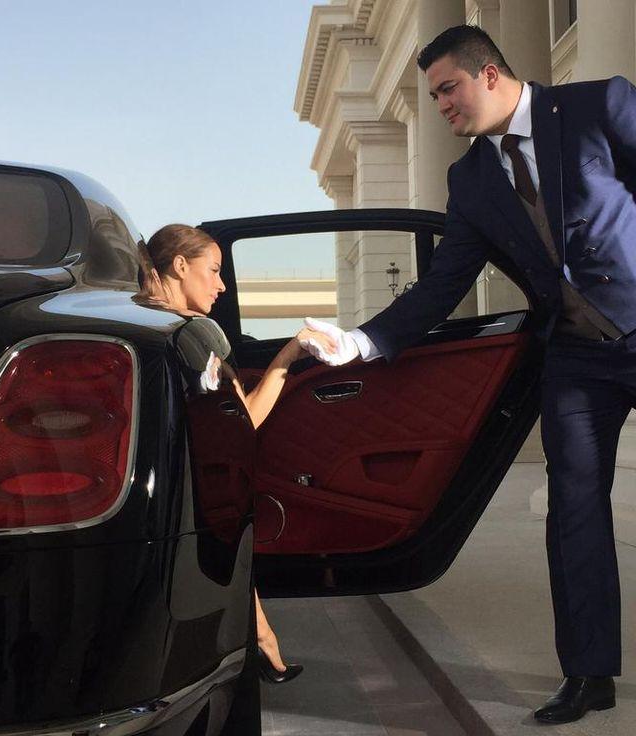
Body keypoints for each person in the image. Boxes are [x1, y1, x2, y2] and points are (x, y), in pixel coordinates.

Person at [299, 24, 636, 725]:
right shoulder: (472, 179)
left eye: (447, 89)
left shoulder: (598, 105)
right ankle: (588, 674)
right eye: (433, 96)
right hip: (578, 359)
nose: (442, 106)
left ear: (488, 74)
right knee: (574, 510)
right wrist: (359, 342)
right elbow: (441, 285)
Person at [134, 223, 330, 684]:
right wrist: (289, 354)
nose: (222, 284)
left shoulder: (148, 326)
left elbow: (239, 418)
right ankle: (257, 646)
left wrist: (289, 355)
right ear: (180, 266)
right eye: (215, 270)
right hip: (190, 488)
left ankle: (262, 642)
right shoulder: (193, 335)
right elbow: (245, 421)